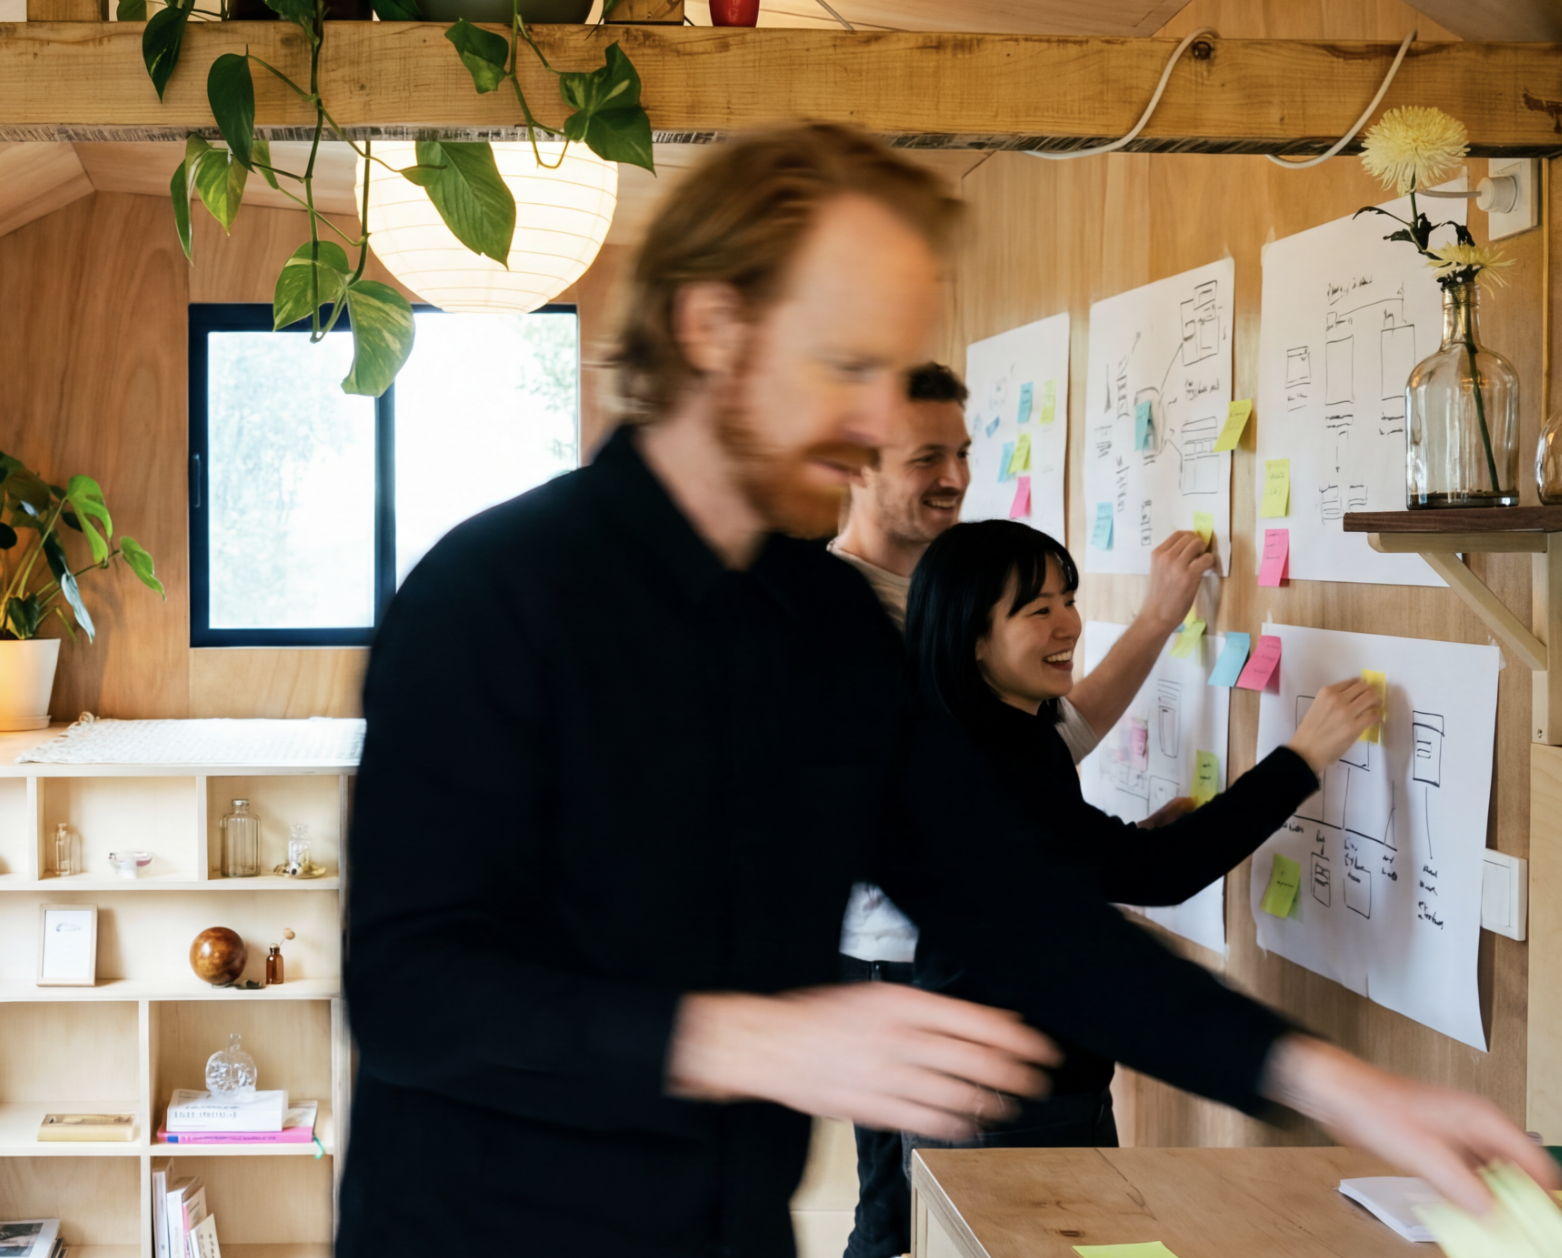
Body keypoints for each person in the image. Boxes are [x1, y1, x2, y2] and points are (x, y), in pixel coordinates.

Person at [338, 122, 1549, 1258]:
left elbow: (1021, 909)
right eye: (847, 363)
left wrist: (1337, 1084)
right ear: (712, 328)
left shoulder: (822, 627)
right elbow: (410, 994)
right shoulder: (490, 592)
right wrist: (752, 1034)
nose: (877, 426)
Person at [843, 519, 1381, 1255]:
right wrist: (1303, 755)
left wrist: (1119, 849)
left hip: (1037, 1083)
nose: (1070, 623)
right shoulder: (987, 754)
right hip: (1008, 1100)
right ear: (971, 636)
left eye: (1069, 597)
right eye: (1038, 610)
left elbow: (1071, 862)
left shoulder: (1007, 727)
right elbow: (1158, 874)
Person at [830, 364, 1219, 1257]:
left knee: (926, 1208)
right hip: (903, 958)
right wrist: (1157, 623)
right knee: (906, 1213)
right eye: (926, 455)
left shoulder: (952, 586)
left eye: (962, 452)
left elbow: (1032, 749)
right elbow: (983, 780)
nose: (956, 477)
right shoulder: (847, 613)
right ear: (855, 463)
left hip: (956, 956)